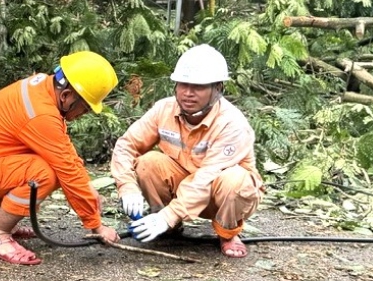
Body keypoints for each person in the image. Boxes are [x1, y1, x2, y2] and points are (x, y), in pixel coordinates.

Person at [0, 51, 122, 266]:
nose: (84, 114)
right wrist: (96, 226)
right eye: (85, 108)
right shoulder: (42, 115)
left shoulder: (42, 89)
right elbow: (66, 168)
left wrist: (87, 186)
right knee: (42, 173)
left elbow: (63, 150)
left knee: (45, 166)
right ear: (66, 96)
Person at [110, 44, 263, 259]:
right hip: (182, 187)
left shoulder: (232, 124)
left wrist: (168, 215)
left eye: (198, 87)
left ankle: (227, 233)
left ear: (217, 88)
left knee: (235, 180)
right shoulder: (164, 109)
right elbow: (128, 145)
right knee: (148, 162)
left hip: (217, 194)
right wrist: (127, 186)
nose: (188, 93)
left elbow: (206, 179)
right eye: (183, 84)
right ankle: (168, 226)